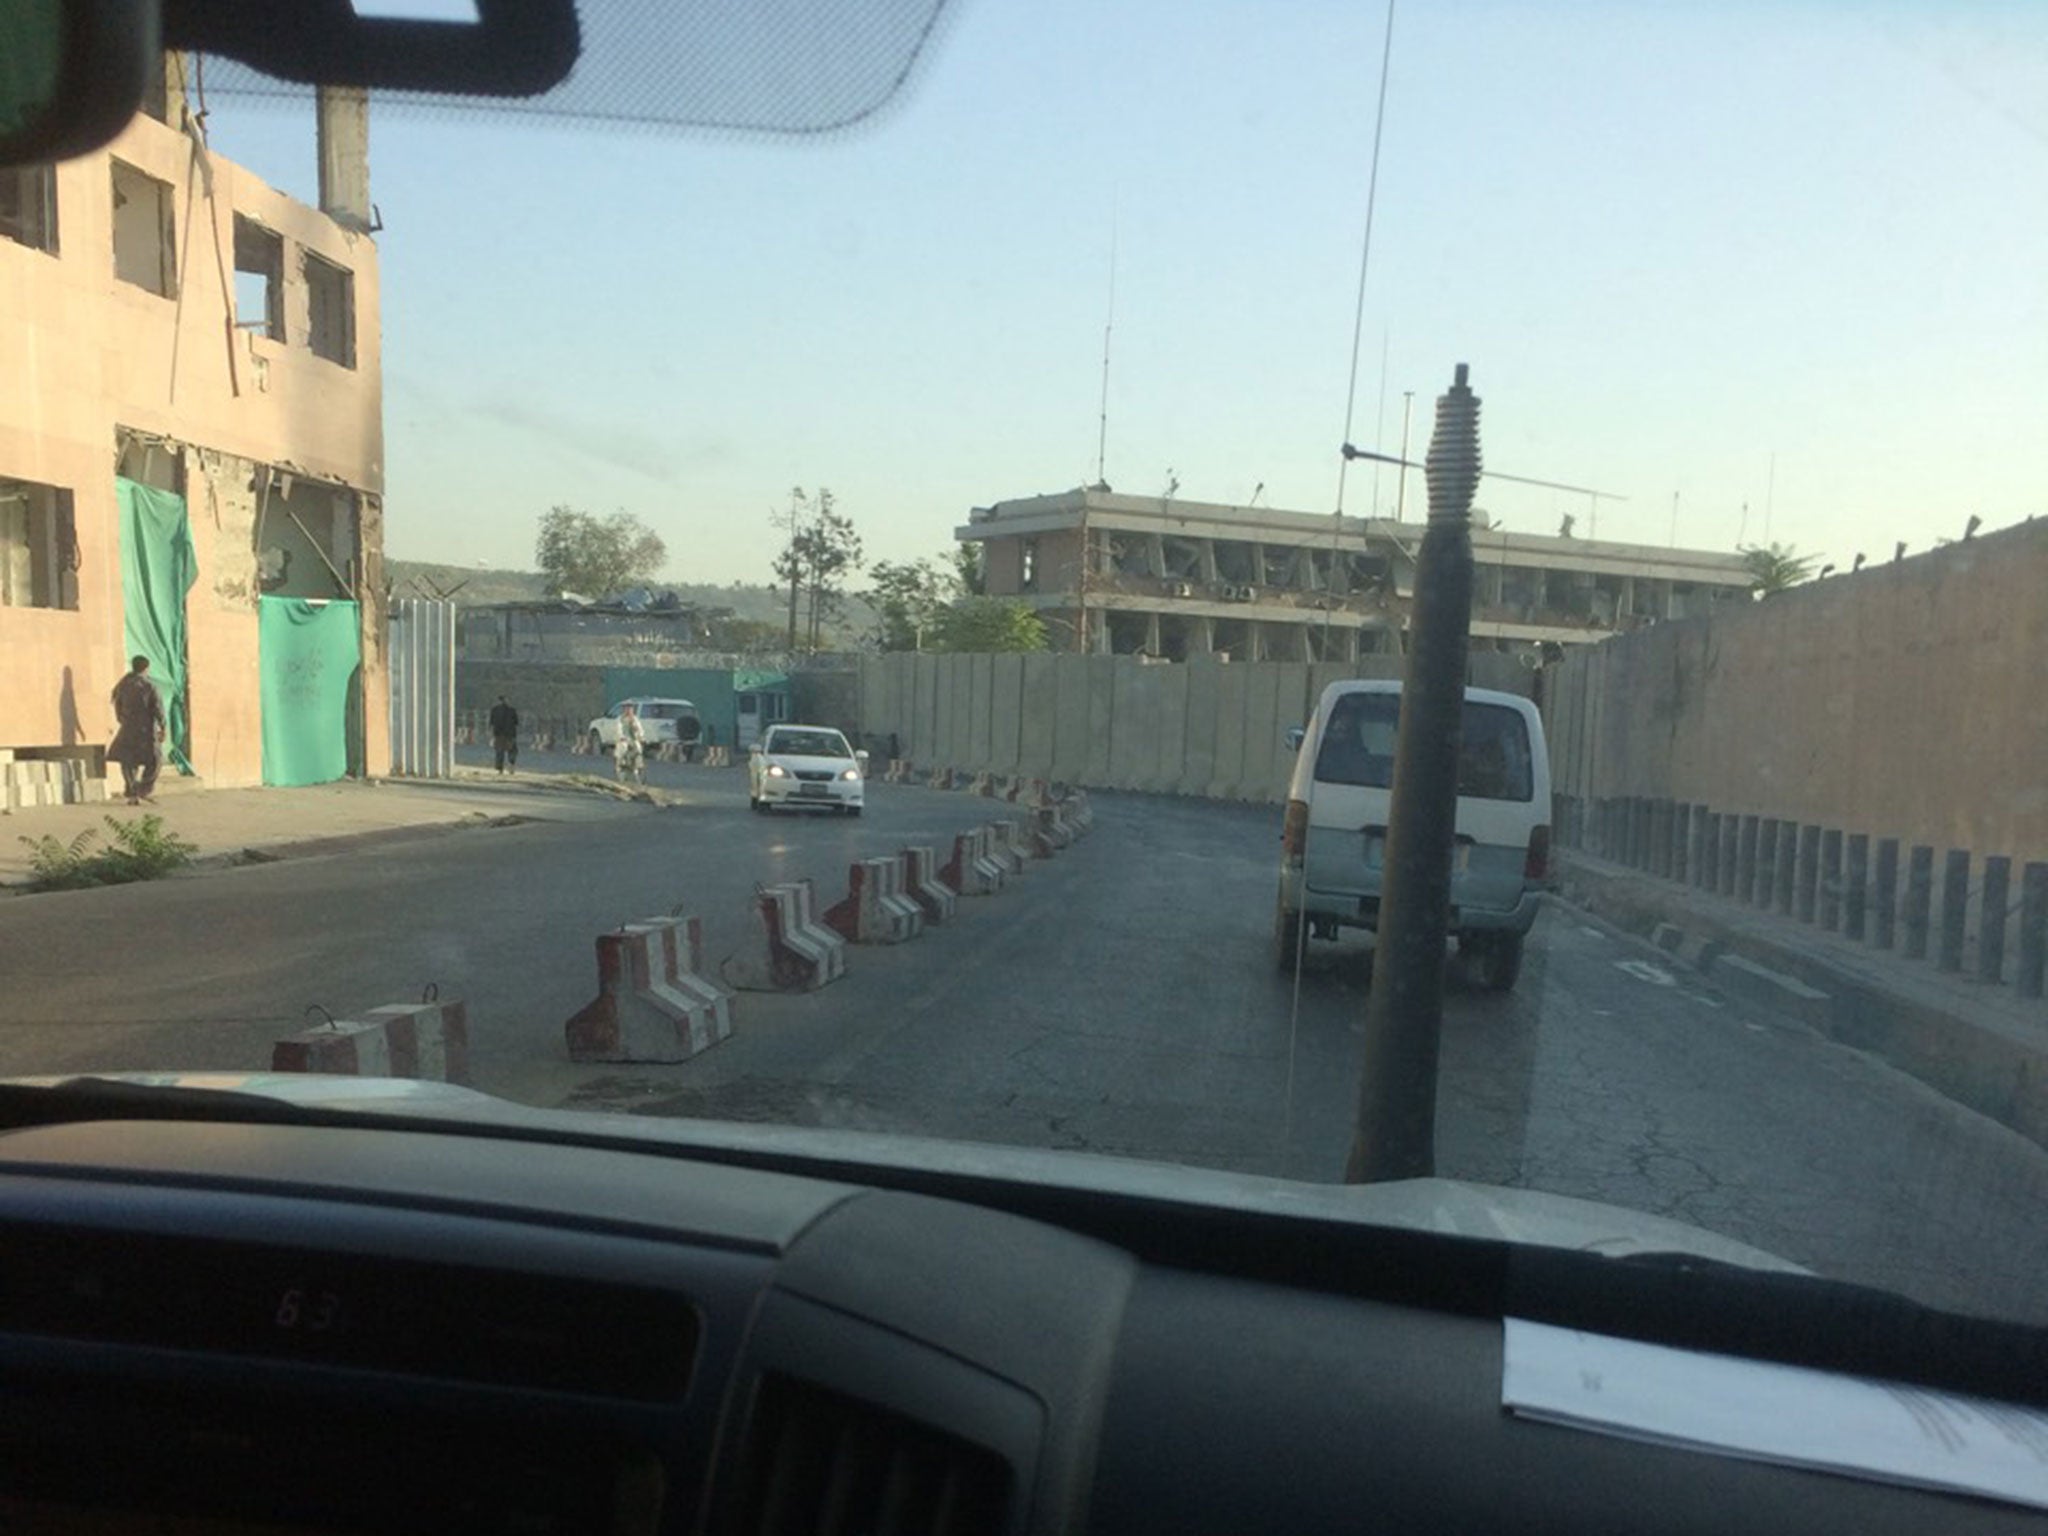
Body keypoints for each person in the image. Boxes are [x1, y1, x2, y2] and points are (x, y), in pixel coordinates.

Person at [108, 655, 166, 805]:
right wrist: (163, 726)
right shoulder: (149, 686)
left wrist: (122, 719)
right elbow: (158, 708)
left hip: (127, 728)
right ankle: (141, 790)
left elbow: (116, 704)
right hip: (145, 730)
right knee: (155, 760)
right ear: (146, 668)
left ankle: (132, 792)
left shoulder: (123, 684)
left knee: (128, 761)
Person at [613, 701, 646, 784]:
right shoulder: (620, 719)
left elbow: (640, 730)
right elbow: (618, 730)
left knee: (638, 749)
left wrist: (640, 735)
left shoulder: (635, 719)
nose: (628, 710)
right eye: (626, 708)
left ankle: (638, 767)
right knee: (622, 749)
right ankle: (621, 768)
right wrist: (621, 737)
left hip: (633, 739)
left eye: (630, 708)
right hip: (623, 740)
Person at [488, 695, 520, 774]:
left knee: (499, 751)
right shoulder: (512, 710)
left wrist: (492, 734)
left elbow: (491, 722)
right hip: (510, 734)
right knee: (512, 750)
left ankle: (500, 768)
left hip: (498, 734)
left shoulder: (494, 710)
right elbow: (516, 722)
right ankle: (511, 765)